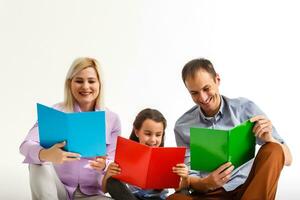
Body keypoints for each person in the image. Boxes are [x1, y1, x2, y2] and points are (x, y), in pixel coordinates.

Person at [167, 58, 293, 200]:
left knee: (274, 149)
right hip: (210, 193)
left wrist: (269, 139)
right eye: (194, 93)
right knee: (175, 199)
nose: (202, 97)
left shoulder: (245, 108)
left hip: (248, 188)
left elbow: (288, 159)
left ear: (217, 80)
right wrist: (207, 183)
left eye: (206, 88)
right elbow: (189, 178)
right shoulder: (183, 126)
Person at [19, 57, 121, 200]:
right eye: (79, 81)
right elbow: (25, 146)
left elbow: (113, 162)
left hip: (92, 194)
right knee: (37, 163)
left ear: (99, 84)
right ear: (70, 83)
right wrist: (46, 154)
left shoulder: (112, 119)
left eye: (91, 81)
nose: (85, 87)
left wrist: (105, 165)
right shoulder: (55, 112)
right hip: (57, 190)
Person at [101, 108, 189, 200]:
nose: (153, 140)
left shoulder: (168, 158)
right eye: (148, 134)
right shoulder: (125, 155)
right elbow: (105, 190)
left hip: (159, 199)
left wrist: (185, 177)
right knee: (112, 181)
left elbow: (179, 188)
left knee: (184, 192)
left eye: (158, 135)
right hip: (131, 198)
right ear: (137, 132)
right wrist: (108, 174)